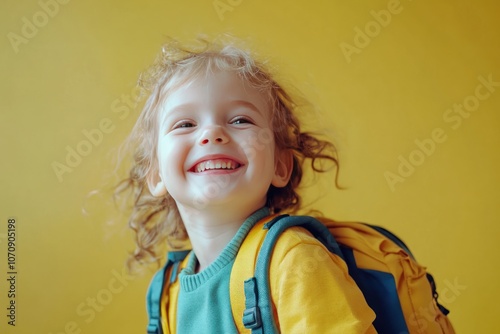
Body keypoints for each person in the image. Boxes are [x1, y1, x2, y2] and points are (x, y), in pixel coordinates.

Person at [116, 37, 376, 333]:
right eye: (185, 124)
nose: (212, 133)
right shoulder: (167, 294)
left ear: (280, 165)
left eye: (240, 120)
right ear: (156, 174)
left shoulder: (294, 260)